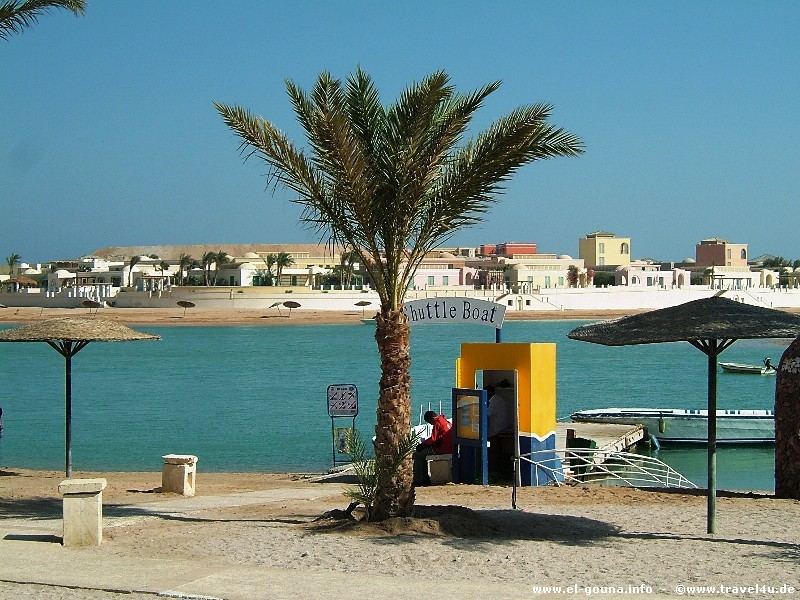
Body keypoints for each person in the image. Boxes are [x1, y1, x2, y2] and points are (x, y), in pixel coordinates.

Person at [413, 410, 453, 485]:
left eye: (430, 423)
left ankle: (420, 480)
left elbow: (433, 439)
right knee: (423, 454)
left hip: (442, 449)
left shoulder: (437, 422)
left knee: (418, 455)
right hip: (449, 447)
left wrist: (423, 445)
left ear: (431, 419)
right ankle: (424, 478)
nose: (431, 424)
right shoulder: (445, 421)